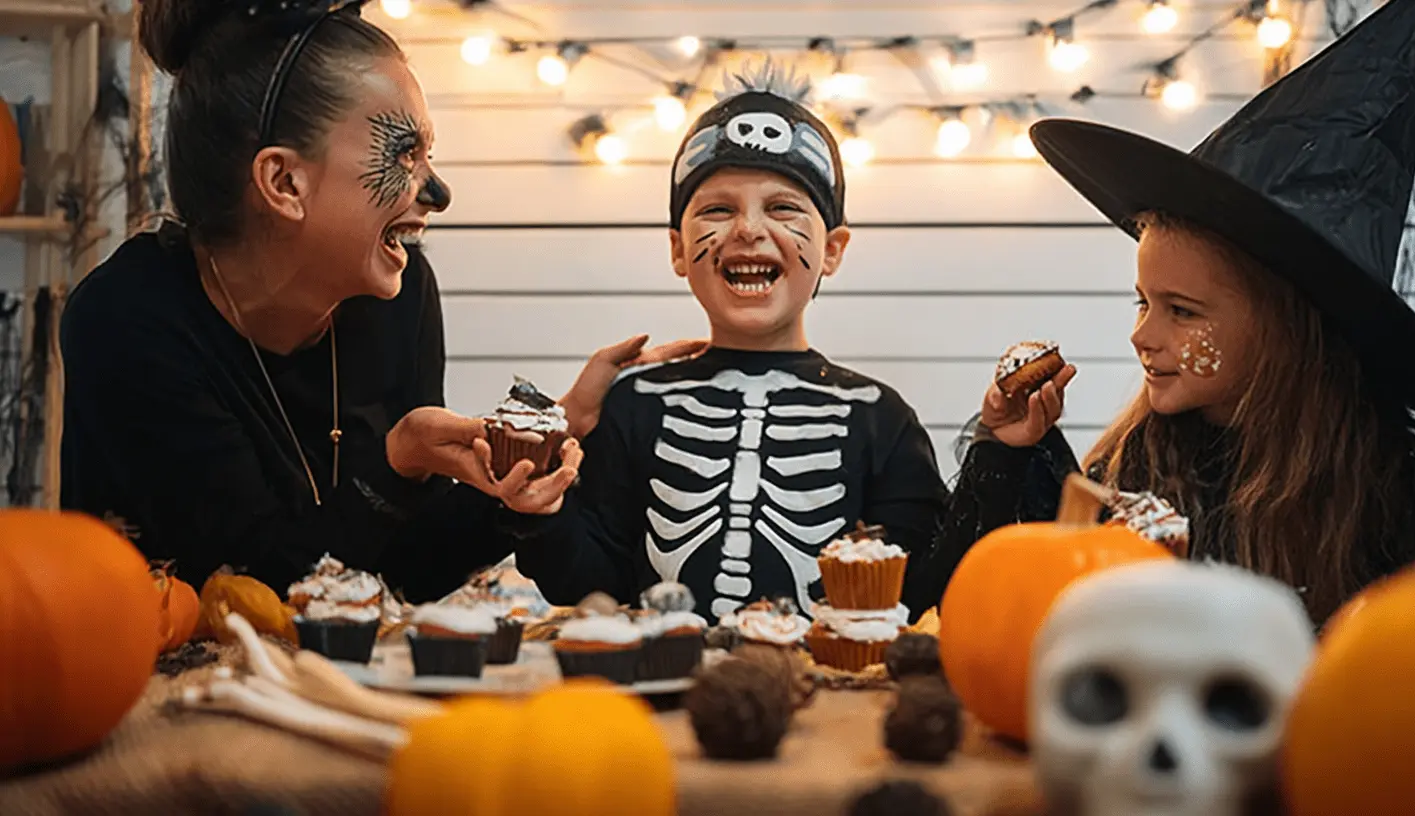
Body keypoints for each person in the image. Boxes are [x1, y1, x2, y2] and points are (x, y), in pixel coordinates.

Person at [59, 0, 701, 600]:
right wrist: (398, 463)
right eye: (404, 155)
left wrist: (548, 437)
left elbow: (406, 572)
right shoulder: (127, 320)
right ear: (284, 181)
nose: (438, 192)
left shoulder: (401, 297)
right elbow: (252, 586)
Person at [928, 0, 1415, 624]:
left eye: (1181, 311)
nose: (1141, 335)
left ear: (1286, 332)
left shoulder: (1384, 495)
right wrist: (1003, 453)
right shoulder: (1134, 469)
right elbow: (983, 609)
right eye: (1143, 302)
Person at [506, 61, 948, 621]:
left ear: (832, 250)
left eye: (783, 208)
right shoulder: (634, 403)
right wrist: (540, 508)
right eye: (718, 209)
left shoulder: (880, 416)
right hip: (664, 672)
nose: (748, 230)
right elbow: (588, 583)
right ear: (677, 249)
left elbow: (920, 584)